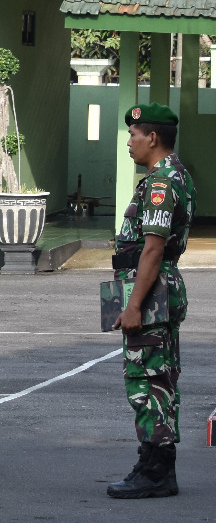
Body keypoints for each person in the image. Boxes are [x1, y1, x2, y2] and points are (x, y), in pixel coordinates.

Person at [105, 102, 194, 499]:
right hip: (155, 288)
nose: (129, 142)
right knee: (158, 375)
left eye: (133, 135)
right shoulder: (174, 176)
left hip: (151, 291)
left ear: (152, 138)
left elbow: (153, 249)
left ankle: (155, 470)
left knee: (147, 379)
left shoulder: (161, 183)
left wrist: (134, 305)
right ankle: (154, 463)